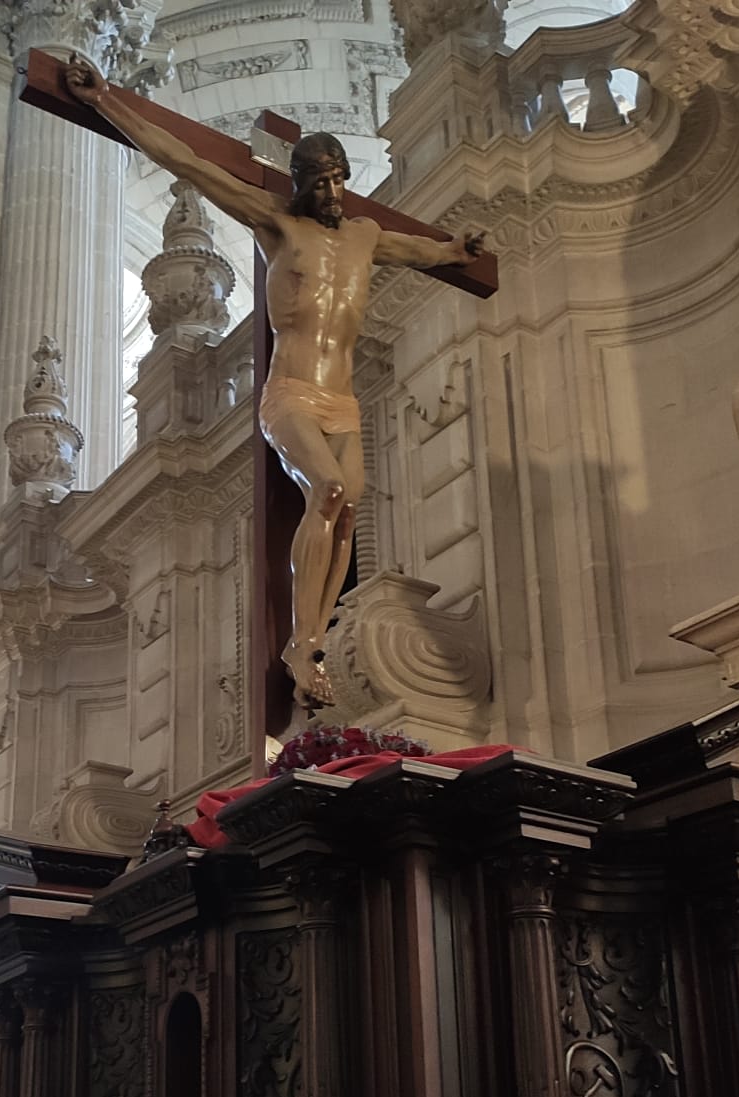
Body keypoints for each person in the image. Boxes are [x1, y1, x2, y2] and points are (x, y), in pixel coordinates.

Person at [64, 59, 485, 710]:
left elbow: (420, 250)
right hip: (289, 394)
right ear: (300, 184)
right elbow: (189, 163)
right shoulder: (276, 224)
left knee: (348, 510)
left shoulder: (366, 235)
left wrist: (457, 249)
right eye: (321, 181)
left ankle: (311, 638)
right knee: (330, 489)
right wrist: (108, 102)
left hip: (342, 400)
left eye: (340, 179)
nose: (334, 192)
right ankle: (301, 638)